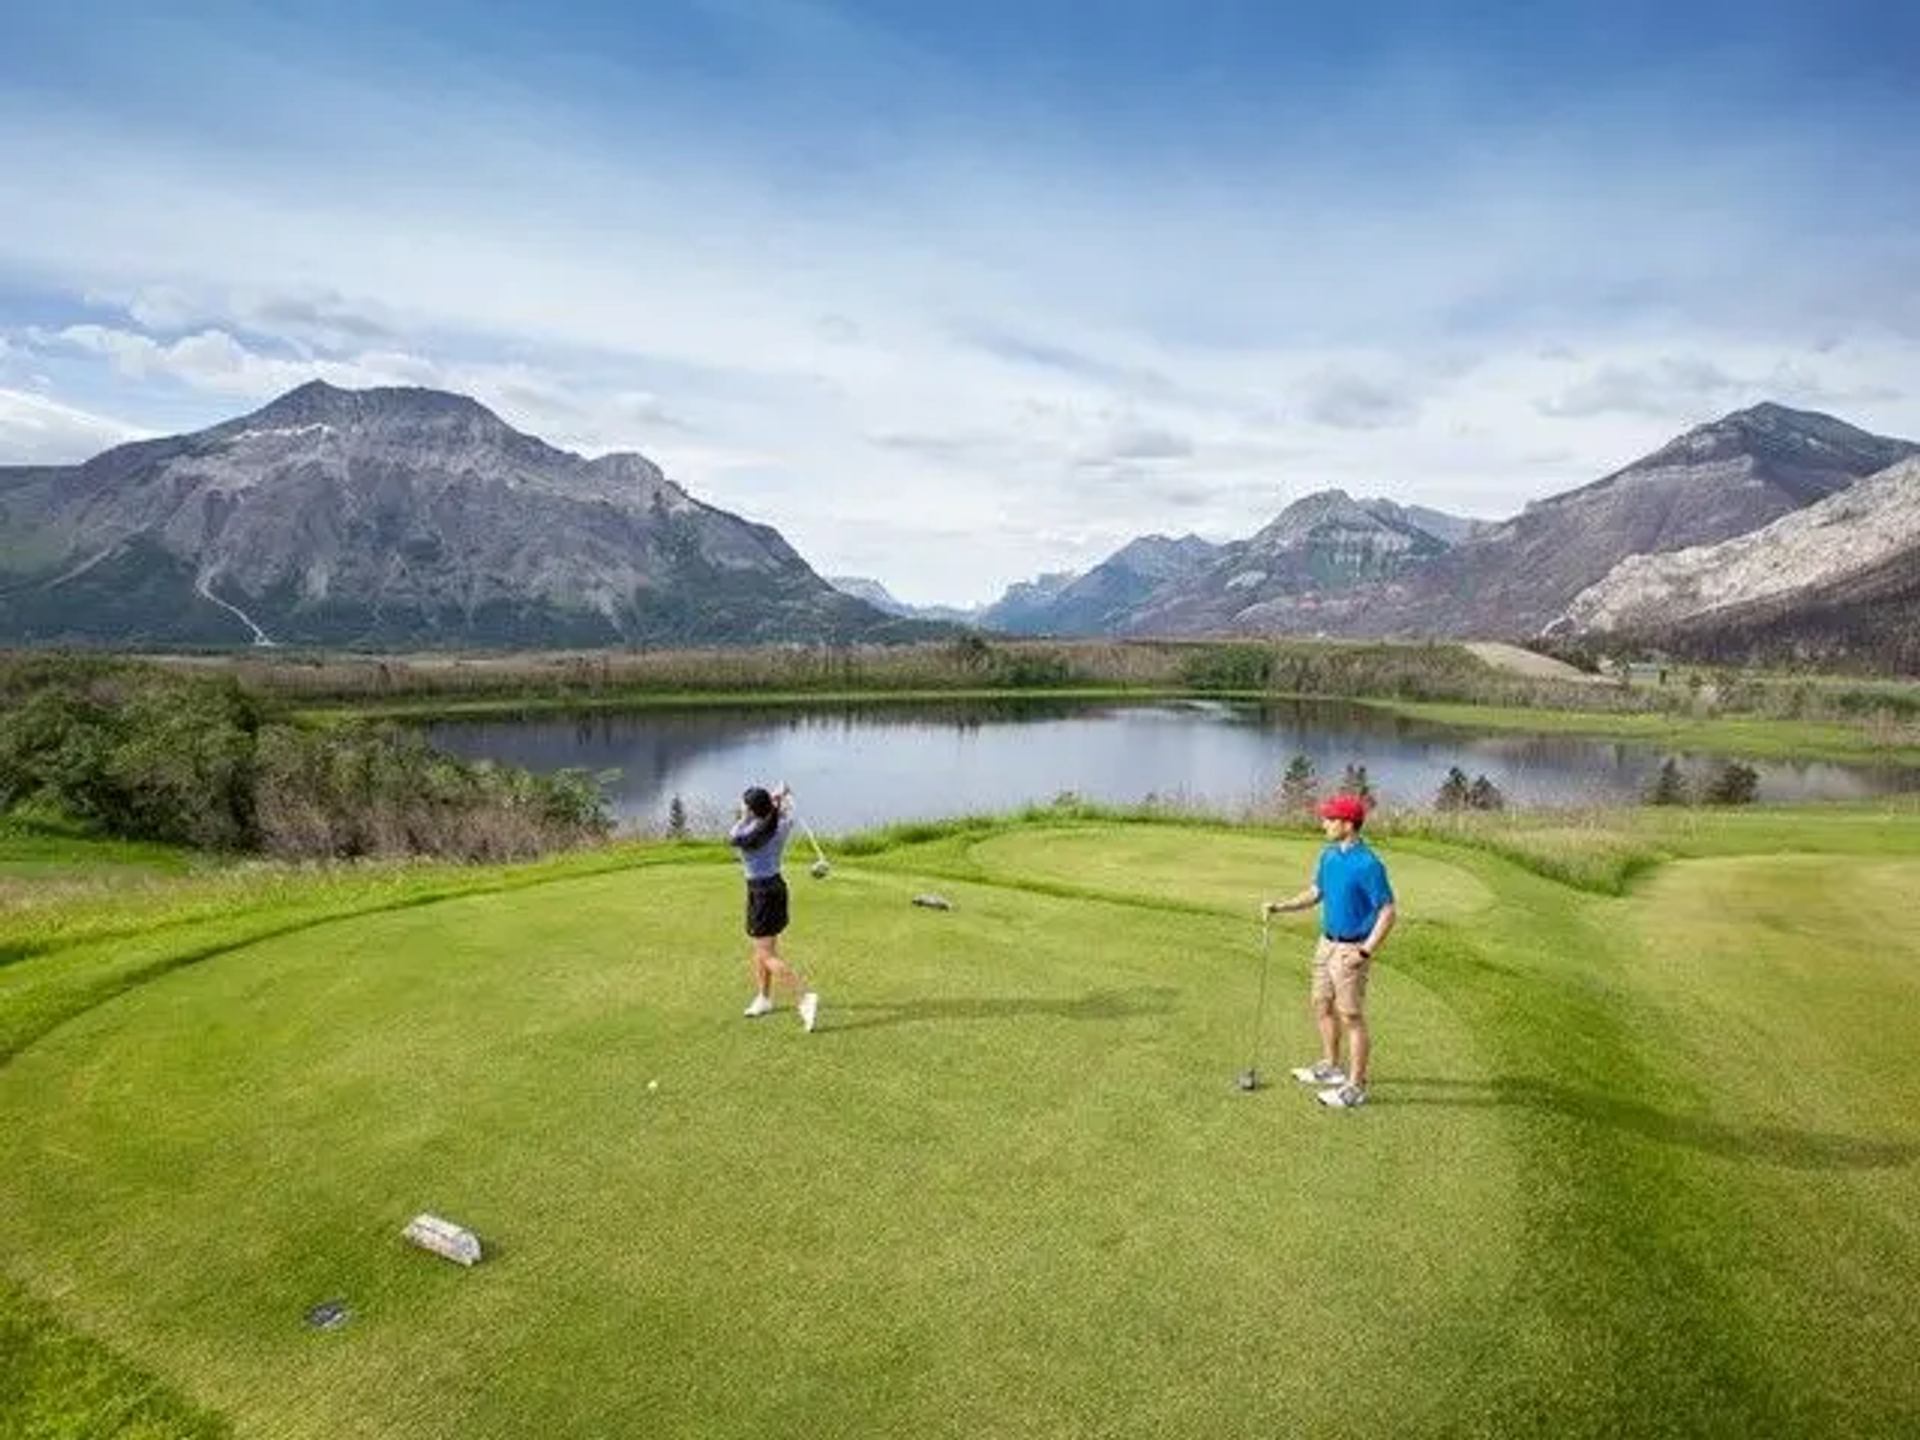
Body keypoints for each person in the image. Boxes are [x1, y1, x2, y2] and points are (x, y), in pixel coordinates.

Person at [1262, 792, 1395, 1108]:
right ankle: (1331, 1067)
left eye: (1330, 819)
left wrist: (1364, 952)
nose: (1324, 823)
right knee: (1321, 1005)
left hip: (1351, 949)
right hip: (1326, 943)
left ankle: (1356, 1087)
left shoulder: (1369, 864)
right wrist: (1280, 906)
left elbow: (1388, 911)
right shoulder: (1329, 855)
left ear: (1348, 824)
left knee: (1351, 1015)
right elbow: (1315, 892)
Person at [727, 782, 819, 1033]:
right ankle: (764, 999)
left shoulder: (746, 834)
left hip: (761, 893)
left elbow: (733, 834)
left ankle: (804, 996)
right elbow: (781, 814)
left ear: (752, 811)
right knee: (763, 948)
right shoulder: (781, 825)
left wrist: (764, 805)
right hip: (777, 888)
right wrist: (779, 798)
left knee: (766, 954)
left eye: (745, 805)